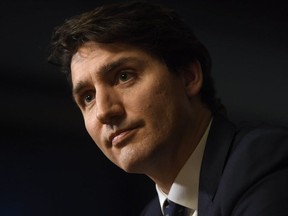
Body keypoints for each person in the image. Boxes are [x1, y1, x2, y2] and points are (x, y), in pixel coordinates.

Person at [48, 1, 288, 215]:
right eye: (88, 97)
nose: (103, 111)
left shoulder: (263, 165)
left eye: (123, 76)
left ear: (188, 76)